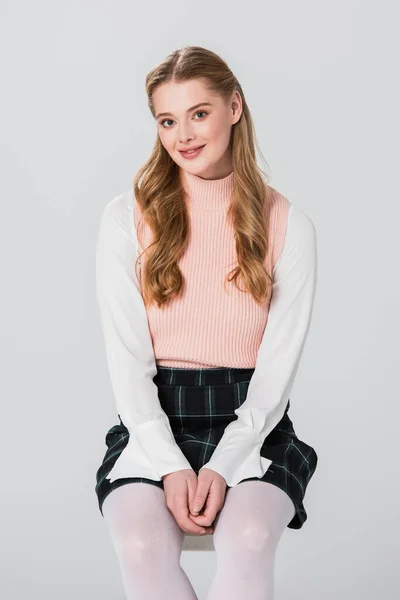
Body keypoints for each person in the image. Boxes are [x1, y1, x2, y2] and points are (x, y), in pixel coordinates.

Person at [94, 45, 319, 600]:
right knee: (142, 546)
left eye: (199, 113)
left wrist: (225, 463)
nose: (184, 135)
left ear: (234, 107)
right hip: (151, 423)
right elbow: (128, 364)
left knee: (245, 538)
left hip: (254, 426)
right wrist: (169, 464)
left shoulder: (288, 224)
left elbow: (275, 374)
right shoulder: (126, 218)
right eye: (167, 120)